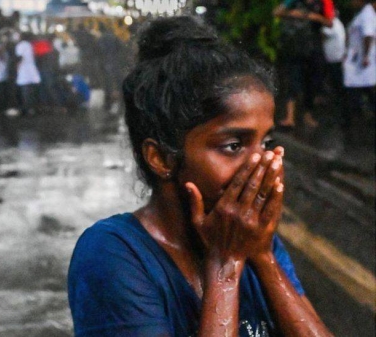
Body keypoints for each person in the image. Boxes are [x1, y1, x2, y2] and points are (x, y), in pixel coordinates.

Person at [68, 17, 334, 336]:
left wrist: (262, 256)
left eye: (266, 143)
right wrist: (225, 264)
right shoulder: (113, 254)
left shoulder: (248, 234)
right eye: (234, 145)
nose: (263, 163)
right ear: (162, 158)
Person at [273, 0, 335, 129]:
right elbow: (276, 12)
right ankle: (290, 117)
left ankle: (308, 115)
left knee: (312, 82)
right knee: (292, 79)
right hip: (295, 46)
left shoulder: (324, 2)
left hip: (313, 47)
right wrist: (294, 13)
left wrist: (313, 16)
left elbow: (329, 22)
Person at [343, 0, 376, 146]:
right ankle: (353, 125)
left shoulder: (367, 14)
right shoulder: (365, 13)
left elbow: (368, 35)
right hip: (359, 63)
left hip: (360, 64)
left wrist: (366, 56)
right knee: (366, 92)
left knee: (354, 94)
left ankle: (352, 130)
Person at [15, 32, 41, 116]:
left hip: (24, 69)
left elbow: (19, 57)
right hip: (31, 68)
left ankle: (26, 109)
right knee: (31, 90)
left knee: (25, 90)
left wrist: (17, 67)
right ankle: (32, 108)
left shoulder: (20, 45)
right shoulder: (29, 45)